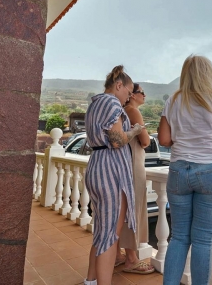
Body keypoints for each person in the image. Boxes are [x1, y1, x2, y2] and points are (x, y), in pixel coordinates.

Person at [158, 55, 212, 285]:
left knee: (179, 237)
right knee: (203, 240)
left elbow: (164, 139)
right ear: (208, 73)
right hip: (210, 172)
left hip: (179, 172)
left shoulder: (173, 100)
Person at [83, 65, 144, 285]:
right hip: (111, 170)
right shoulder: (111, 102)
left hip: (97, 167)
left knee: (101, 232)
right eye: (128, 92)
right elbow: (117, 140)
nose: (128, 98)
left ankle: (91, 280)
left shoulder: (95, 104)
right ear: (118, 85)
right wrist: (135, 131)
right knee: (110, 236)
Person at [117, 83, 155, 275]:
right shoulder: (133, 112)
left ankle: (118, 253)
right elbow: (146, 141)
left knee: (121, 209)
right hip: (133, 163)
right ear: (132, 95)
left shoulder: (122, 111)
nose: (145, 95)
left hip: (123, 163)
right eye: (142, 92)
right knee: (133, 208)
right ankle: (131, 259)